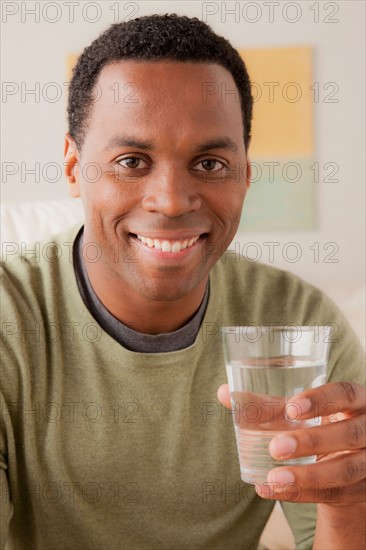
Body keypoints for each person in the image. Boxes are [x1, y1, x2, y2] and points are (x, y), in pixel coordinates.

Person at [1, 13, 364, 550]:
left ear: (245, 174)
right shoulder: (11, 319)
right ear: (75, 167)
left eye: (210, 163)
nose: (171, 200)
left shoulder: (299, 326)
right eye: (131, 160)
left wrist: (351, 501)